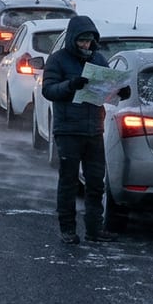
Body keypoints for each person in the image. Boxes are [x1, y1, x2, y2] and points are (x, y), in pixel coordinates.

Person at [41, 15, 117, 245]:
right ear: (73, 39)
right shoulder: (57, 60)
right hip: (68, 130)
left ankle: (94, 229)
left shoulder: (99, 60)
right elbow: (49, 90)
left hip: (94, 129)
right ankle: (68, 229)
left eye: (89, 41)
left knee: (96, 183)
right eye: (82, 41)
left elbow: (107, 88)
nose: (86, 45)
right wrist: (70, 85)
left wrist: (118, 92)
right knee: (69, 182)